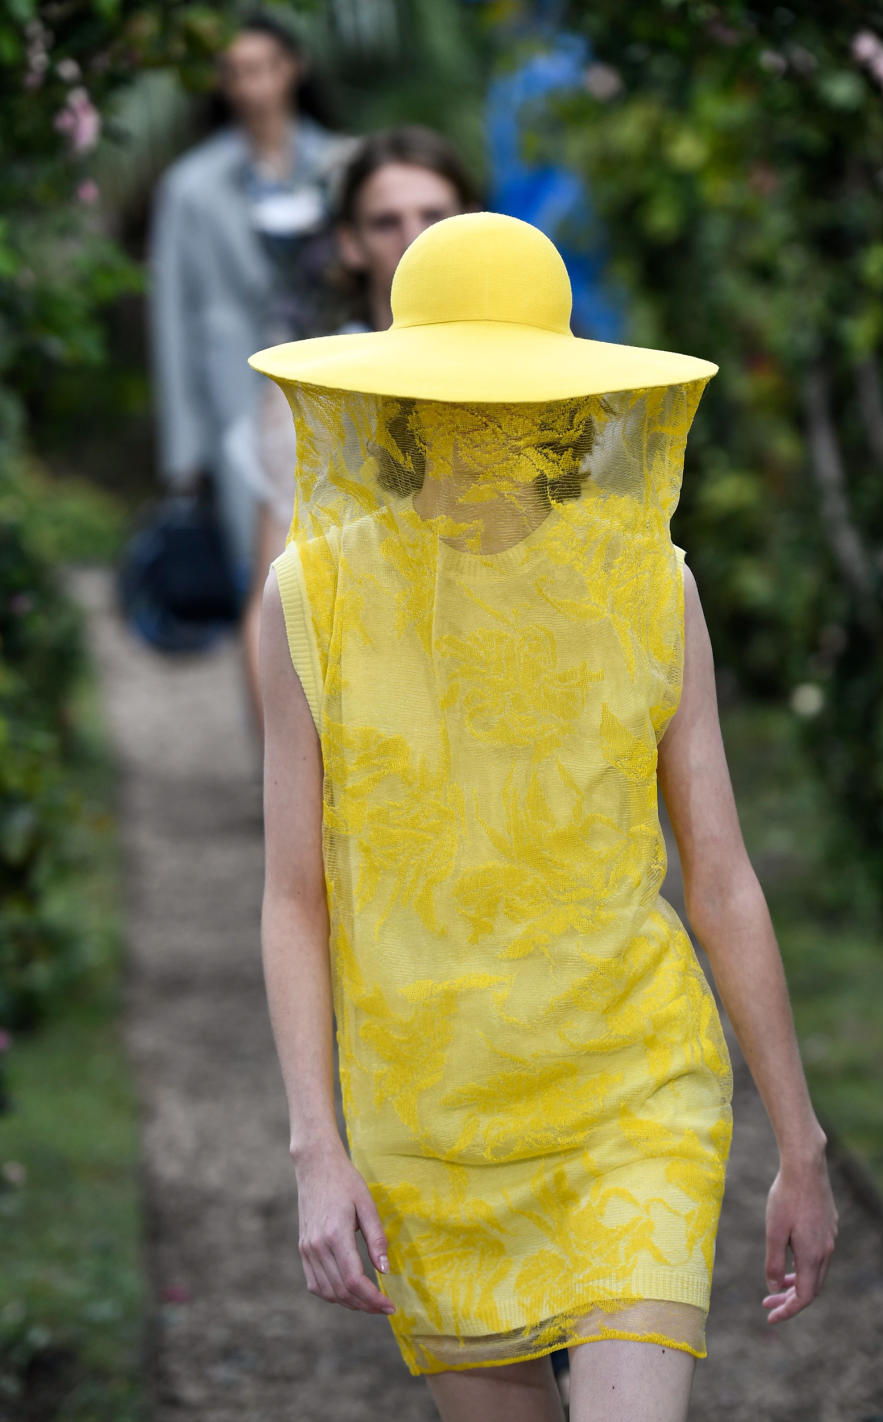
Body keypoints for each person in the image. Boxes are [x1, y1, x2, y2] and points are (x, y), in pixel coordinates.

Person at [256, 213, 838, 1422]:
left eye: (507, 393)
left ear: (563, 400)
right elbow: (293, 896)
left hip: (634, 1096)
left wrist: (801, 1138)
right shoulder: (311, 599)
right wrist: (317, 1148)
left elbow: (718, 873)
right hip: (425, 1123)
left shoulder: (650, 583)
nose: (484, 420)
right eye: (455, 394)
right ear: (405, 401)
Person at [235, 125, 481, 750]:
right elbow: (272, 605)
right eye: (384, 222)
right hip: (369, 732)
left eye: (434, 215)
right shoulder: (311, 397)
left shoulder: (544, 381)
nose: (413, 239)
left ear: (471, 223)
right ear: (349, 243)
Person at [146, 11, 356, 695]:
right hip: (237, 402)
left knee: (348, 572)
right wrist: (184, 459)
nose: (251, 85)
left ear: (293, 67)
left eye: (263, 66)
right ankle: (273, 773)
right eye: (235, 71)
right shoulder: (191, 186)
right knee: (261, 582)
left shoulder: (345, 165)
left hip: (337, 393)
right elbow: (172, 318)